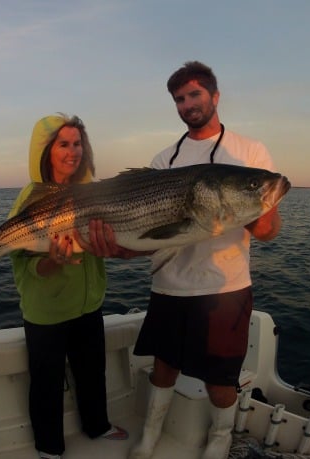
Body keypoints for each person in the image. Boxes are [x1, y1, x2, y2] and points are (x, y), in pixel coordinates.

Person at [82, 62, 283, 459]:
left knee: (221, 377)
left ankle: (219, 441)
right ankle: (151, 437)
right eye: (179, 98)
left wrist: (249, 203)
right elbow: (145, 240)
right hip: (169, 284)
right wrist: (114, 249)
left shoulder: (249, 152)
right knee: (163, 367)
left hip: (225, 288)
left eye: (195, 94)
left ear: (215, 96)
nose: (188, 104)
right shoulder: (163, 159)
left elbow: (269, 231)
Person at [8, 114, 128, 459]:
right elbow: (25, 265)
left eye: (77, 144)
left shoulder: (95, 192)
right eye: (63, 144)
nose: (72, 152)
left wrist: (115, 247)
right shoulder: (31, 198)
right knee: (46, 383)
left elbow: (113, 239)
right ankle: (48, 447)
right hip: (46, 311)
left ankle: (97, 425)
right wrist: (52, 260)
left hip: (89, 305)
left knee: (93, 373)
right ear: (47, 150)